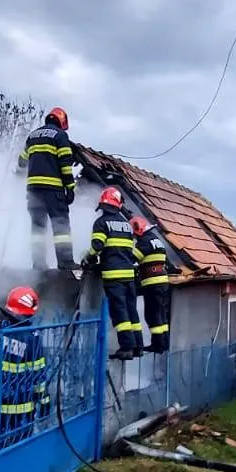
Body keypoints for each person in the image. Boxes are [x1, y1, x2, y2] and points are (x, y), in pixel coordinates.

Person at [0, 286, 52, 448]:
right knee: (18, 447)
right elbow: (38, 376)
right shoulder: (32, 338)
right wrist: (44, 402)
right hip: (20, 407)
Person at [84, 186, 143, 360]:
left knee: (119, 312)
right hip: (129, 275)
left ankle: (126, 348)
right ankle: (138, 346)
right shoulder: (126, 225)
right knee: (131, 311)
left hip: (113, 276)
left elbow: (97, 246)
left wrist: (88, 258)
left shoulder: (101, 223)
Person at [18, 107, 80, 272]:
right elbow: (65, 164)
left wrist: (19, 174)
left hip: (33, 191)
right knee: (61, 225)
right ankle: (65, 262)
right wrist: (70, 188)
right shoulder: (60, 136)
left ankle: (38, 264)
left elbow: (22, 161)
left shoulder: (32, 136)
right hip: (53, 189)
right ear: (62, 122)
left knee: (37, 228)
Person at [131, 215, 178, 354]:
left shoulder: (144, 242)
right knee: (162, 314)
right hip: (163, 283)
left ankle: (157, 345)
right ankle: (163, 343)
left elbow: (132, 258)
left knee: (152, 315)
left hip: (152, 284)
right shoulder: (157, 241)